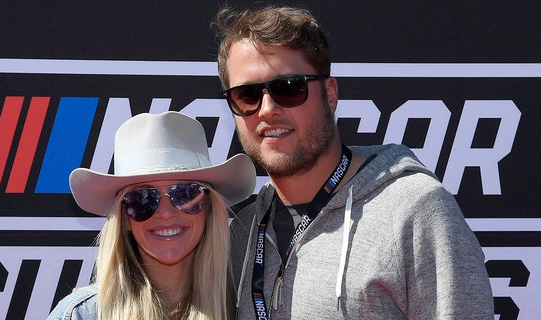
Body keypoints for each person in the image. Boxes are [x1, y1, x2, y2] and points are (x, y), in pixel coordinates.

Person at [214, 5, 494, 319]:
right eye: (247, 95)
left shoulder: (413, 209)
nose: (267, 109)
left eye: (289, 88)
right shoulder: (243, 231)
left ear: (330, 94)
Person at [47, 111, 256, 320]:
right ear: (124, 219)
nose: (165, 213)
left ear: (209, 208)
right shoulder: (81, 315)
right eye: (143, 198)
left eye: (184, 194)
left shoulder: (246, 311)